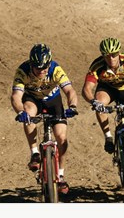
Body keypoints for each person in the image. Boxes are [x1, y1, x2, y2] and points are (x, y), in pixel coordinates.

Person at [11, 43, 78, 194]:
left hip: (53, 100)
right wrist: (20, 111)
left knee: (61, 138)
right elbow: (16, 96)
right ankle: (34, 152)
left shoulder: (55, 69)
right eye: (37, 68)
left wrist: (72, 106)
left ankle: (60, 175)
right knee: (28, 113)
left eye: (44, 68)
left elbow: (70, 91)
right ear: (31, 64)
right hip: (32, 99)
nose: (41, 71)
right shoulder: (23, 71)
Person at [82, 37, 124, 184]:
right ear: (102, 55)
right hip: (107, 89)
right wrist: (93, 101)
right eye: (107, 55)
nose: (111, 58)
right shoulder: (97, 66)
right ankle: (108, 137)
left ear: (119, 53)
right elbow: (86, 88)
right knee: (100, 102)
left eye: (114, 54)